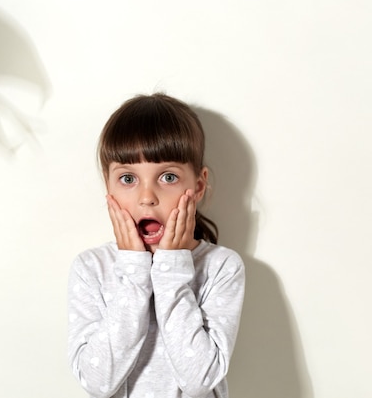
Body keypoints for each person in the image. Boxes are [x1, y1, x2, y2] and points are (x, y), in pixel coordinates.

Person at [67, 93, 245, 398]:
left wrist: (172, 268)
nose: (146, 197)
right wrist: (135, 273)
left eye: (168, 176)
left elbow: (200, 381)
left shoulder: (221, 267)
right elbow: (97, 381)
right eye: (127, 179)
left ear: (198, 186)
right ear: (107, 186)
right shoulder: (91, 268)